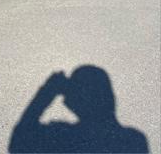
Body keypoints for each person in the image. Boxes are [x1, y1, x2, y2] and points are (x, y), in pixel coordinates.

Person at [9, 65, 148, 153]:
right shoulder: (134, 140)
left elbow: (18, 142)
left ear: (70, 102)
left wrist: (47, 92)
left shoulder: (62, 137)